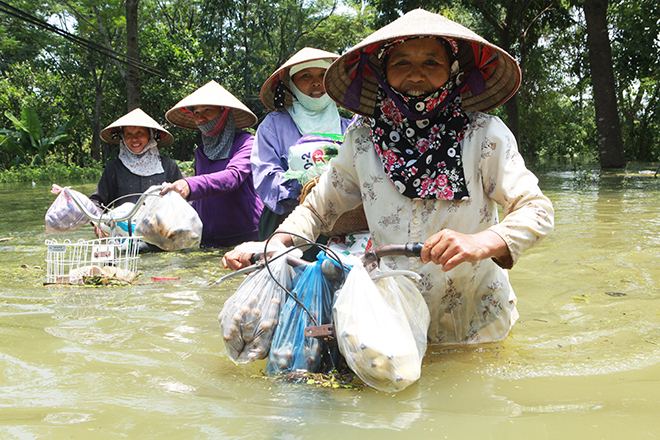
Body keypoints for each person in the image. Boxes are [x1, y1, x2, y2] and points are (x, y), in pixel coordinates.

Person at [224, 9, 555, 345]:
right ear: (382, 73)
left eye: (431, 63)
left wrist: (480, 242)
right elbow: (317, 209)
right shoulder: (363, 139)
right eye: (401, 64)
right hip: (394, 318)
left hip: (476, 320)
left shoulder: (483, 134)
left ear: (452, 70)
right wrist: (274, 244)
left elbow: (537, 210)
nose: (416, 75)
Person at [252, 47, 353, 240]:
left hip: (342, 224)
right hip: (284, 222)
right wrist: (303, 190)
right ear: (292, 84)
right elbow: (266, 174)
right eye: (306, 76)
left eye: (324, 75)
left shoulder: (349, 127)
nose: (316, 83)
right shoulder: (273, 125)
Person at [161, 80, 263, 248]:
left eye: (207, 110)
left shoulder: (246, 143)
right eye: (196, 112)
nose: (201, 118)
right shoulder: (201, 152)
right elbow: (204, 192)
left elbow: (233, 177)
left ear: (224, 112)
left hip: (245, 237)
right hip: (207, 239)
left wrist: (189, 184)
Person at [91, 108, 183, 234]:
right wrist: (98, 223)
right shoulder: (114, 169)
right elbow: (96, 202)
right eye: (128, 134)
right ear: (122, 138)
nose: (134, 139)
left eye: (140, 133)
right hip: (124, 236)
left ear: (150, 135)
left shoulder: (168, 166)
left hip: (162, 236)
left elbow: (185, 201)